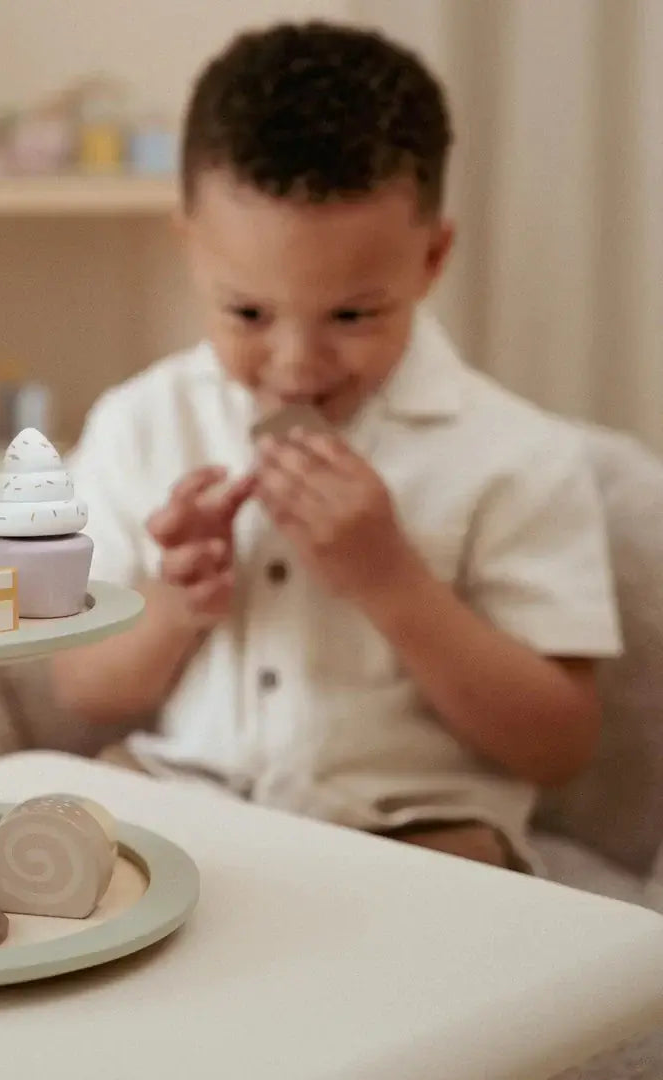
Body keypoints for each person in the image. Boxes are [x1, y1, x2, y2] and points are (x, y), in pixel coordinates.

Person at [47, 20, 622, 872]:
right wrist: (175, 606)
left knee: (463, 892)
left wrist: (392, 583)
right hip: (188, 798)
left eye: (352, 315)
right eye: (248, 313)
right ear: (191, 249)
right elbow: (80, 689)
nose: (296, 366)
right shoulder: (141, 423)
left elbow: (559, 744)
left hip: (417, 829)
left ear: (432, 259)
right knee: (67, 850)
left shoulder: (517, 455)